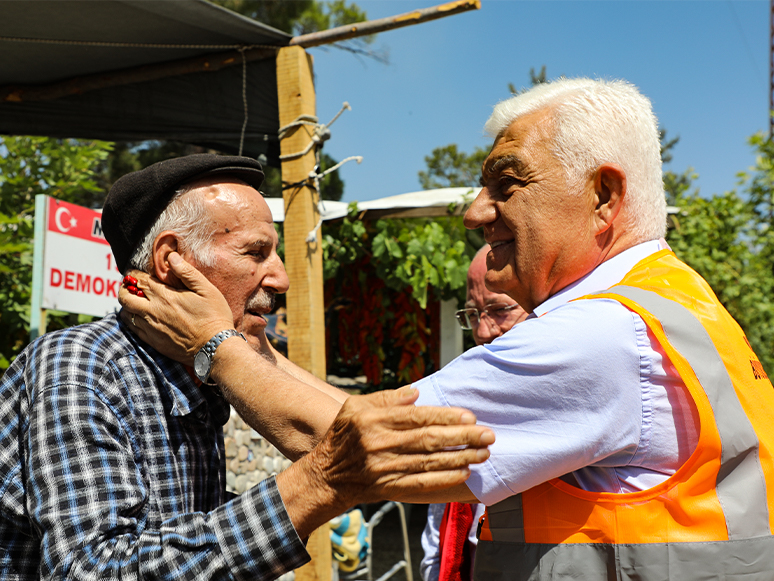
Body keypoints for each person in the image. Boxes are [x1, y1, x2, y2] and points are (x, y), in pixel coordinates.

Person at [120, 78, 774, 580]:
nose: (475, 210)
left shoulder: (604, 334)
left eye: (506, 182)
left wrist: (215, 345)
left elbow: (352, 446)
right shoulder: (668, 306)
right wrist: (257, 348)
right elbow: (364, 422)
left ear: (604, 196)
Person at [0, 154, 495, 581]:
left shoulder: (191, 367)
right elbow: (94, 570)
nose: (279, 277)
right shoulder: (81, 366)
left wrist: (229, 348)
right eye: (256, 252)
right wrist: (316, 484)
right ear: (172, 260)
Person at [420, 244, 527, 581]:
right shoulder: (464, 402)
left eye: (498, 309)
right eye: (472, 313)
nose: (482, 331)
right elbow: (439, 538)